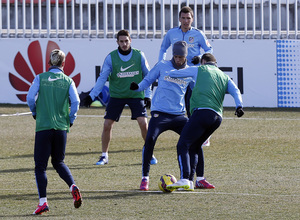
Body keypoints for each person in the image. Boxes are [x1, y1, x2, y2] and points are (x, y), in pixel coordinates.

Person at [165, 53, 244, 190]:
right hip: (217, 118)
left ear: (203, 61)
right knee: (195, 146)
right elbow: (236, 91)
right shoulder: (224, 76)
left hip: (202, 112)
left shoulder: (199, 69)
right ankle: (191, 181)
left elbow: (175, 74)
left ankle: (184, 178)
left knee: (182, 145)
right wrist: (239, 106)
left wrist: (192, 65)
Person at [82, 30, 157, 165]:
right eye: (121, 41)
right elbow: (102, 78)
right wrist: (92, 96)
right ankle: (104, 155)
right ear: (117, 42)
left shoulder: (139, 55)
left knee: (143, 123)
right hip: (117, 96)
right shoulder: (111, 58)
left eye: (126, 41)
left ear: (130, 41)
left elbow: (149, 76)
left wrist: (148, 95)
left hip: (136, 94)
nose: (124, 44)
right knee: (107, 124)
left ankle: (149, 153)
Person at [130, 41, 197, 191]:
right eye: (175, 56)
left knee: (193, 142)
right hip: (160, 114)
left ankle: (191, 179)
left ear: (185, 56)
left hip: (179, 116)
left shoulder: (190, 71)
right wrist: (138, 87)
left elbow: (195, 90)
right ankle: (144, 178)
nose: (177, 59)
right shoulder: (162, 65)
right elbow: (148, 80)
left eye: (180, 57)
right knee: (150, 139)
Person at [27, 49, 82, 215]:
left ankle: (43, 202)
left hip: (44, 126)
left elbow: (30, 97)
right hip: (61, 128)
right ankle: (72, 186)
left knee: (40, 167)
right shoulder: (68, 81)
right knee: (59, 162)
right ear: (63, 64)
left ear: (49, 63)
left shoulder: (40, 78)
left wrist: (35, 112)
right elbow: (76, 102)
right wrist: (70, 120)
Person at [159, 5, 213, 128]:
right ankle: (185, 130)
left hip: (192, 72)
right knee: (178, 101)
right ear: (179, 19)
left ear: (192, 19)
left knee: (193, 102)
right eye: (183, 18)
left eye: (188, 18)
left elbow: (209, 49)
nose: (185, 21)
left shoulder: (198, 34)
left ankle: (200, 130)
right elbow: (163, 48)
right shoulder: (172, 33)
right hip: (177, 71)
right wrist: (161, 62)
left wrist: (200, 57)